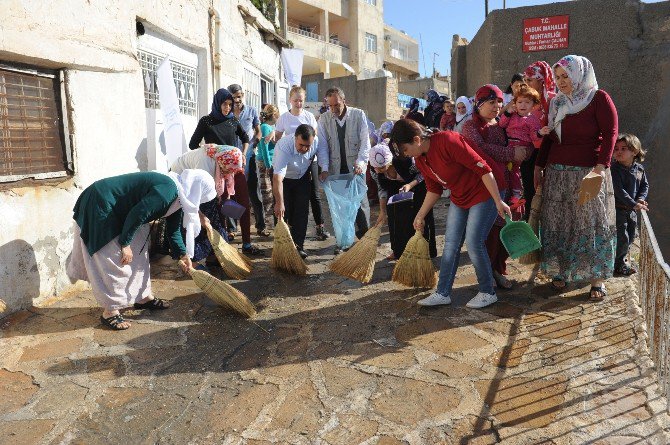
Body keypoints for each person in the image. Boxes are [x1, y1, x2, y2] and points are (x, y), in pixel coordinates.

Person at [67, 170, 215, 330]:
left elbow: (173, 230)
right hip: (101, 202)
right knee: (114, 257)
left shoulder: (180, 197)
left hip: (122, 209)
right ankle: (110, 311)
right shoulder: (167, 192)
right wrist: (125, 244)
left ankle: (143, 297)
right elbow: (138, 214)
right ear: (197, 190)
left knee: (139, 250)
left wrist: (183, 254)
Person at [389, 119, 511, 309]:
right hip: (460, 195)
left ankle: (487, 292)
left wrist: (498, 201)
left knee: (473, 242)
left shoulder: (448, 140)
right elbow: (434, 189)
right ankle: (442, 292)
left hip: (486, 191)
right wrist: (420, 215)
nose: (405, 155)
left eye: (405, 149)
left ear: (416, 139)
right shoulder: (421, 159)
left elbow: (483, 168)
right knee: (451, 243)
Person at [534, 55, 618, 301]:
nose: (561, 81)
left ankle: (597, 279)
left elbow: (610, 133)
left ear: (579, 74)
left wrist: (601, 168)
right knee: (559, 223)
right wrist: (538, 166)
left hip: (588, 173)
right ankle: (560, 271)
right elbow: (550, 137)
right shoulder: (557, 103)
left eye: (566, 76)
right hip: (557, 174)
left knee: (592, 223)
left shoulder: (598, 98)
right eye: (558, 77)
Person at [462, 84, 527, 290]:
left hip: (506, 184)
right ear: (479, 104)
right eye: (491, 102)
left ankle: (498, 269)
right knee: (488, 233)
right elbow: (479, 150)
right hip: (486, 188)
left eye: (499, 101)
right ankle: (487, 274)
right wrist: (510, 154)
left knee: (502, 230)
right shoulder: (470, 127)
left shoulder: (500, 125)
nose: (497, 106)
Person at [189, 88, 261, 255]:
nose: (227, 108)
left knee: (243, 203)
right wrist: (208, 150)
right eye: (224, 104)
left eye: (230, 104)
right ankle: (222, 244)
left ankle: (247, 244)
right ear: (217, 103)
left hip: (235, 169)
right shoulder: (206, 121)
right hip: (214, 172)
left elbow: (245, 138)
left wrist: (242, 154)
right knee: (220, 206)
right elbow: (193, 144)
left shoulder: (233, 121)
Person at [316, 87, 372, 253]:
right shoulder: (324, 119)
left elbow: (365, 142)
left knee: (360, 205)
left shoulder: (358, 115)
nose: (334, 109)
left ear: (344, 101)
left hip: (355, 169)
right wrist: (324, 168)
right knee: (340, 209)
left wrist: (361, 163)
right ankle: (343, 242)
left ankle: (365, 240)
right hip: (336, 170)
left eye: (336, 105)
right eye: (330, 106)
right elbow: (323, 146)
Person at [273, 86, 331, 241]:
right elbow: (278, 136)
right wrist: (282, 154)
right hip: (288, 160)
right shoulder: (284, 119)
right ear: (290, 101)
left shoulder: (309, 117)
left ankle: (310, 233)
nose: (298, 103)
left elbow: (317, 142)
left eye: (301, 100)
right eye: (295, 100)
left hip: (307, 162)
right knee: (285, 201)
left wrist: (322, 167)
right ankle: (285, 234)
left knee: (309, 197)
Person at [170, 145, 243, 266]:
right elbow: (192, 199)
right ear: (224, 162)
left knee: (213, 220)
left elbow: (222, 181)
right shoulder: (204, 165)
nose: (229, 173)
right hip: (182, 184)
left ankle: (214, 255)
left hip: (198, 188)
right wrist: (201, 215)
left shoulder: (222, 160)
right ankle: (193, 260)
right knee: (197, 224)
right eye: (229, 170)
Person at [370, 136, 437, 260]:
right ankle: (399, 251)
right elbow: (382, 189)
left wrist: (410, 185)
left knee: (420, 218)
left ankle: (426, 251)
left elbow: (423, 173)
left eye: (382, 167)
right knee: (396, 219)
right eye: (376, 168)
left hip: (418, 185)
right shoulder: (375, 170)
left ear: (390, 161)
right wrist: (382, 211)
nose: (378, 170)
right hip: (394, 189)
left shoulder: (405, 161)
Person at [273, 124, 318, 259]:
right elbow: (277, 178)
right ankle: (281, 248)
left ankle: (299, 246)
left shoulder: (316, 142)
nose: (304, 149)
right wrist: (279, 203)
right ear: (295, 138)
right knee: (282, 212)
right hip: (283, 180)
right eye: (301, 145)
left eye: (307, 146)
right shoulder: (284, 147)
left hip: (302, 177)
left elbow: (322, 157)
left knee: (302, 212)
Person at [228, 84, 267, 239]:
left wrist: (255, 143)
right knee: (231, 193)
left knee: (254, 192)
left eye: (239, 96)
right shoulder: (228, 113)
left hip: (249, 156)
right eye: (234, 97)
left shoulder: (251, 111)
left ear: (243, 95)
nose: (237, 100)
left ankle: (261, 225)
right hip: (231, 159)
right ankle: (232, 228)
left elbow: (258, 131)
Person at [498, 84, 544, 211]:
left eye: (527, 102)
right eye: (520, 102)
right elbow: (501, 124)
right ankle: (508, 193)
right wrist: (507, 112)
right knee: (506, 171)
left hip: (521, 148)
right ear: (515, 103)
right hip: (508, 147)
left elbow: (534, 137)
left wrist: (540, 133)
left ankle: (517, 194)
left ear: (533, 105)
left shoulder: (532, 120)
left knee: (515, 171)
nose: (523, 105)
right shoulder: (511, 115)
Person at [522, 61, 557, 220]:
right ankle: (531, 230)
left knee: (549, 192)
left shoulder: (553, 100)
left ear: (541, 80)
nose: (526, 83)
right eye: (525, 79)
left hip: (550, 153)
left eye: (530, 80)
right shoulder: (525, 100)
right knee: (530, 192)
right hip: (529, 153)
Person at [611, 133, 649, 276]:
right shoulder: (614, 169)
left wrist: (640, 199)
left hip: (631, 210)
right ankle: (618, 265)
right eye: (616, 149)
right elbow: (618, 190)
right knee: (622, 237)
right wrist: (634, 204)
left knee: (631, 235)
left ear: (634, 151)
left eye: (623, 148)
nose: (618, 152)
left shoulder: (639, 169)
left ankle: (622, 261)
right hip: (618, 209)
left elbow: (644, 186)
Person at [257, 104, 279, 233]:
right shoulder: (265, 127)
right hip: (265, 163)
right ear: (274, 115)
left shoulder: (271, 127)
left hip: (272, 162)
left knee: (272, 193)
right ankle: (268, 224)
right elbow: (264, 147)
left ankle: (272, 223)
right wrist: (268, 164)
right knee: (267, 194)